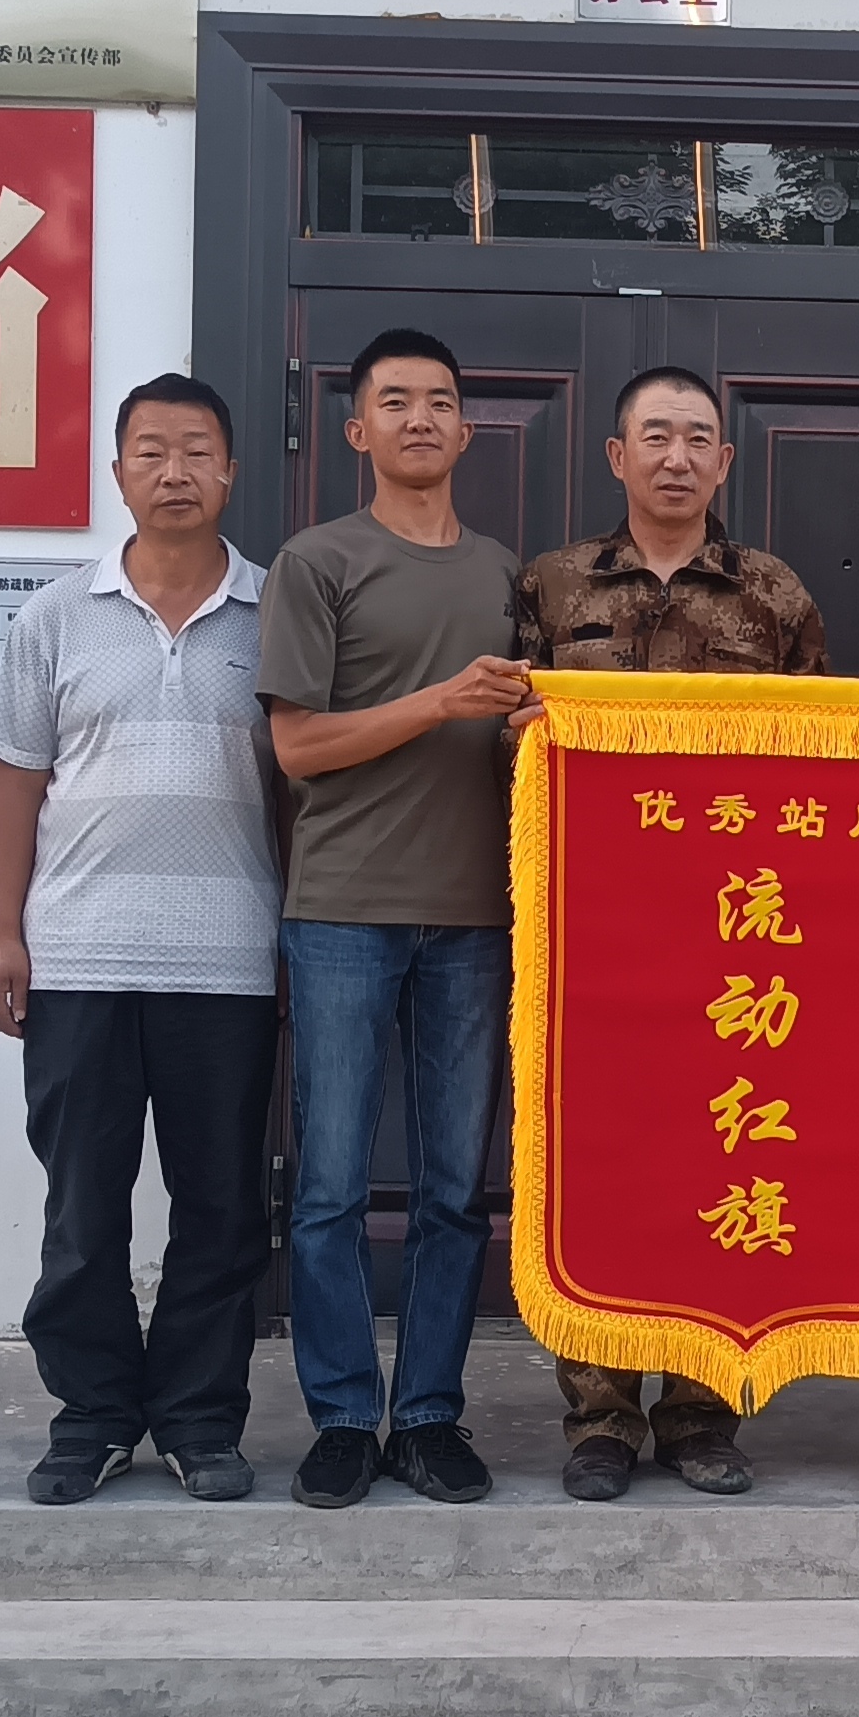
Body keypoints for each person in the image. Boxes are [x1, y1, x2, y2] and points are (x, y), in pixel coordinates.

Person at [510, 366, 830, 1503]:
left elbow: (822, 756)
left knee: (719, 1155)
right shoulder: (551, 587)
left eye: (699, 438)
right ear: (617, 456)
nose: (677, 457)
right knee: (600, 1164)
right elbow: (506, 740)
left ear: (725, 462)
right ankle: (600, 1417)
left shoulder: (772, 593)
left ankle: (702, 1411)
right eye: (656, 436)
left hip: (733, 936)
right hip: (590, 929)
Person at [0, 374, 283, 1507]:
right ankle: (93, 1415)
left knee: (221, 1213)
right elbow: (15, 785)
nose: (174, 472)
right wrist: (1, 936)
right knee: (83, 1209)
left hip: (229, 964)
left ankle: (199, 1420)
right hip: (80, 961)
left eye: (197, 451)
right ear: (117, 473)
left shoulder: (277, 612)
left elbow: (302, 791)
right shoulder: (55, 618)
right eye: (151, 451)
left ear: (231, 470)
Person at [258, 327, 533, 1511]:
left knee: (453, 1192)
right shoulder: (317, 561)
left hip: (476, 918)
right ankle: (338, 1416)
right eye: (395, 402)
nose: (420, 419)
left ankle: (425, 1414)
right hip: (343, 912)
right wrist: (440, 702)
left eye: (440, 402)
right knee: (327, 1186)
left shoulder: (507, 576)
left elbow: (515, 734)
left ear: (466, 431)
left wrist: (523, 729)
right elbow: (299, 746)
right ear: (357, 429)